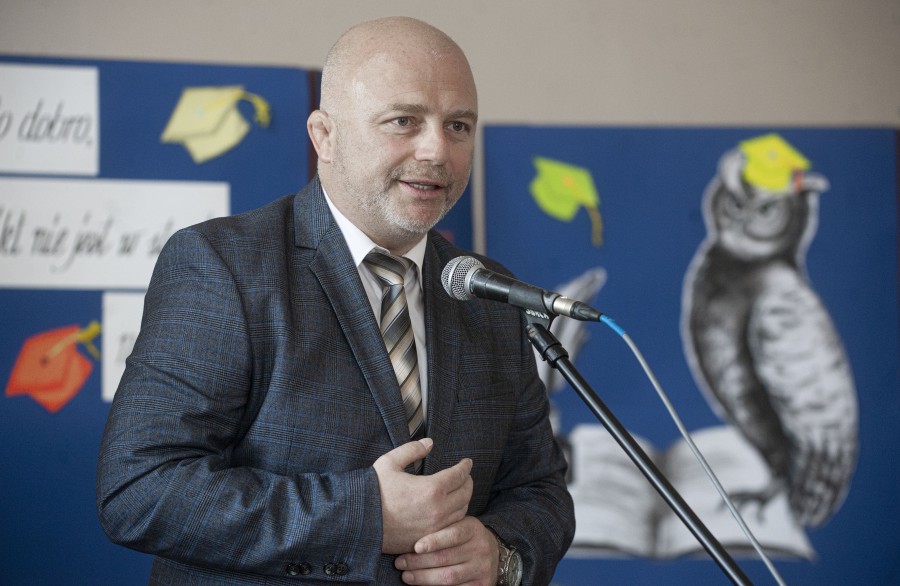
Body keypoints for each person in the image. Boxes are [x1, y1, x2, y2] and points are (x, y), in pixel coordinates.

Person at [97, 16, 574, 586]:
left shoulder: (487, 291)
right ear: (324, 135)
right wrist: (362, 517)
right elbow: (140, 488)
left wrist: (501, 555)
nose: (436, 150)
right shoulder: (224, 265)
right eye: (404, 120)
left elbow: (541, 492)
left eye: (458, 126)